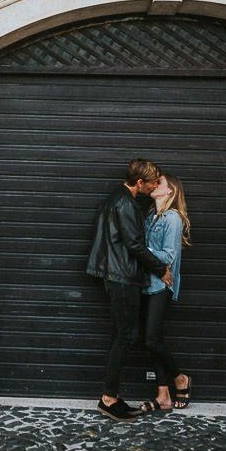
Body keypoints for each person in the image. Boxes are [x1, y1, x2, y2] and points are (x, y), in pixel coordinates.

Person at [86, 158, 173, 421]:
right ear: (139, 183)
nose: (154, 186)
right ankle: (109, 398)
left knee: (122, 335)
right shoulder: (125, 204)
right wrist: (162, 269)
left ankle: (111, 395)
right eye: (152, 183)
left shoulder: (118, 199)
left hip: (118, 275)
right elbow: (135, 245)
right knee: (125, 336)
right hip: (121, 276)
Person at [140, 173, 192, 411]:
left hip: (162, 285)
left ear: (170, 191)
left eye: (159, 182)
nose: (154, 184)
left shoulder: (172, 218)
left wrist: (142, 250)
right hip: (146, 283)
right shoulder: (150, 216)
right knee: (153, 340)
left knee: (151, 339)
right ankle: (163, 395)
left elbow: (168, 256)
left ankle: (180, 378)